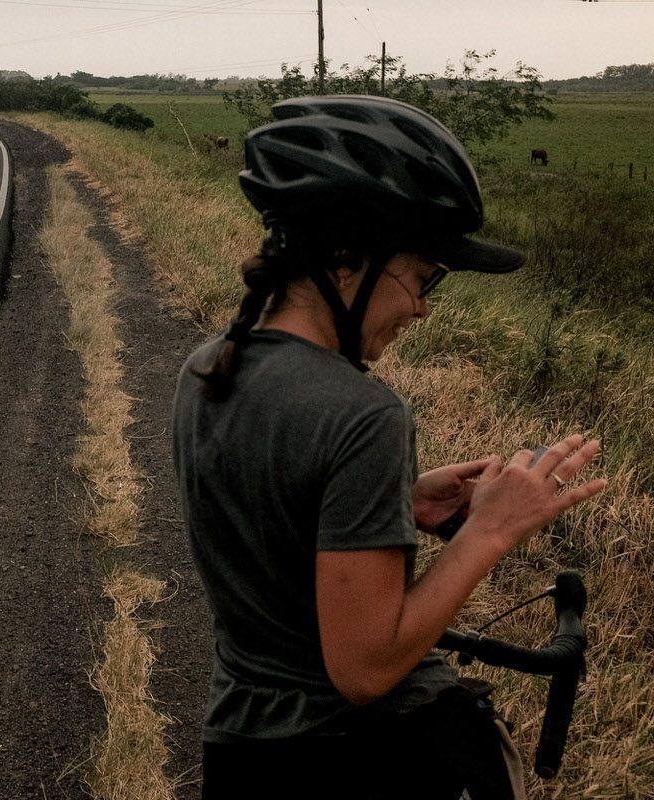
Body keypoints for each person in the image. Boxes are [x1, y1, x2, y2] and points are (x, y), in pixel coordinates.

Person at [171, 95, 607, 799]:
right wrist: (490, 531)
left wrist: (392, 502)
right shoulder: (363, 413)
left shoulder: (206, 367)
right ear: (350, 257)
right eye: (424, 278)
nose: (424, 307)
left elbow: (268, 519)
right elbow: (366, 669)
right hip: (363, 761)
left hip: (242, 753)